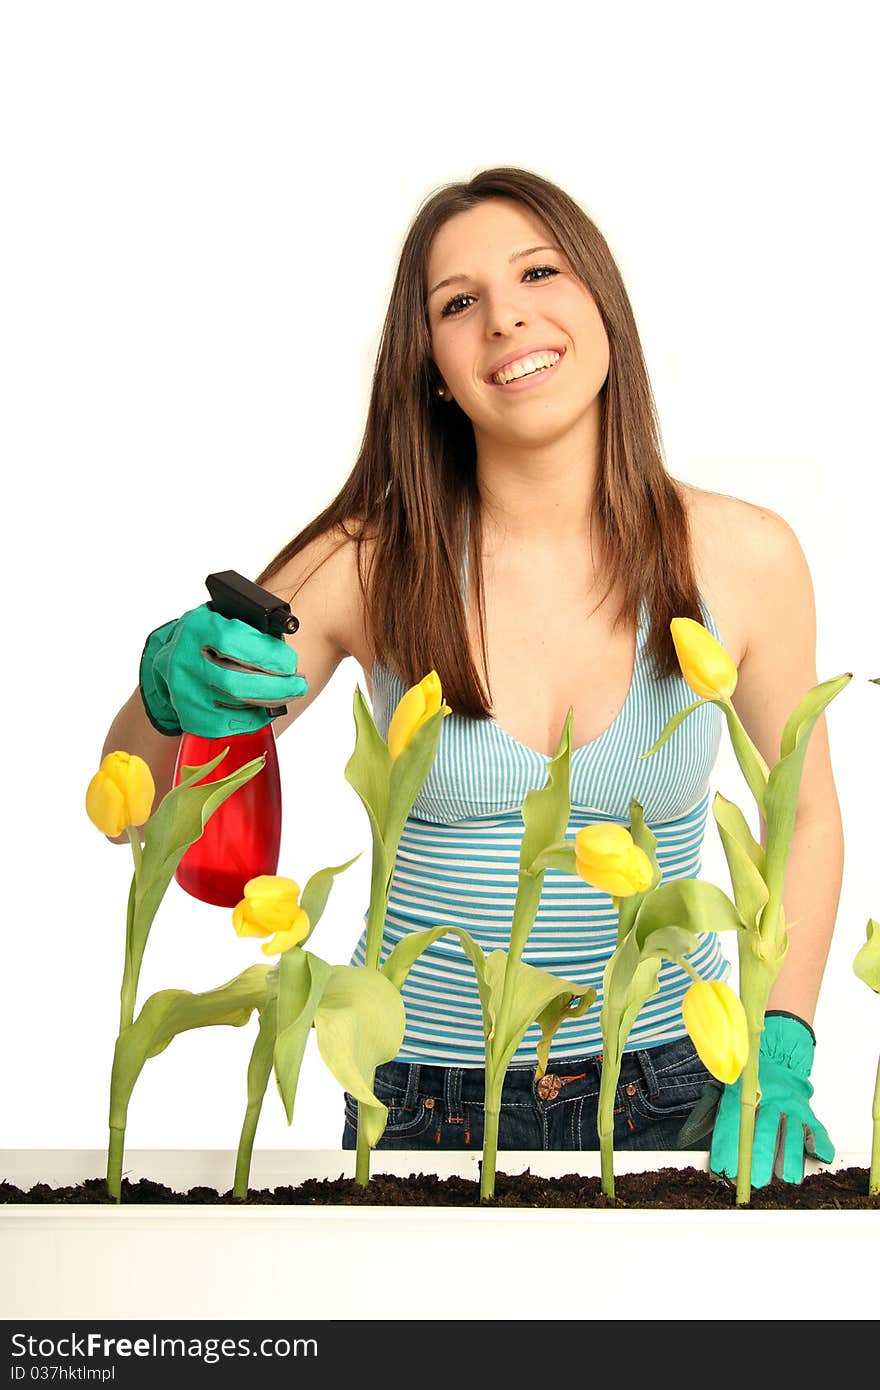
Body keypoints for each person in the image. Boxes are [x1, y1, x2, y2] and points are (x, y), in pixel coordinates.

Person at [102, 166, 844, 1186]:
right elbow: (133, 812)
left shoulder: (742, 557)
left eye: (539, 271)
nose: (506, 318)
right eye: (459, 303)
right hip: (420, 1104)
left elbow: (802, 818)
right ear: (433, 372)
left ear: (604, 308)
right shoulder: (366, 563)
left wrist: (782, 1042)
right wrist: (160, 693)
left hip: (674, 1090)